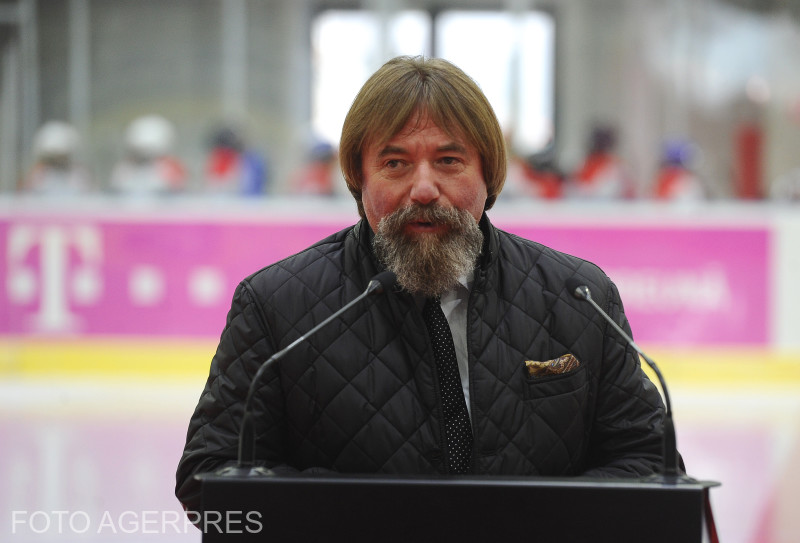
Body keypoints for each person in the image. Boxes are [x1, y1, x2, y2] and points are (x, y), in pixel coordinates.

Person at [176, 56, 669, 516]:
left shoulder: (580, 297)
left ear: (489, 174)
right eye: (395, 164)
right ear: (358, 178)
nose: (425, 189)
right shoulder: (275, 305)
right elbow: (211, 477)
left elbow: (649, 463)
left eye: (449, 161)